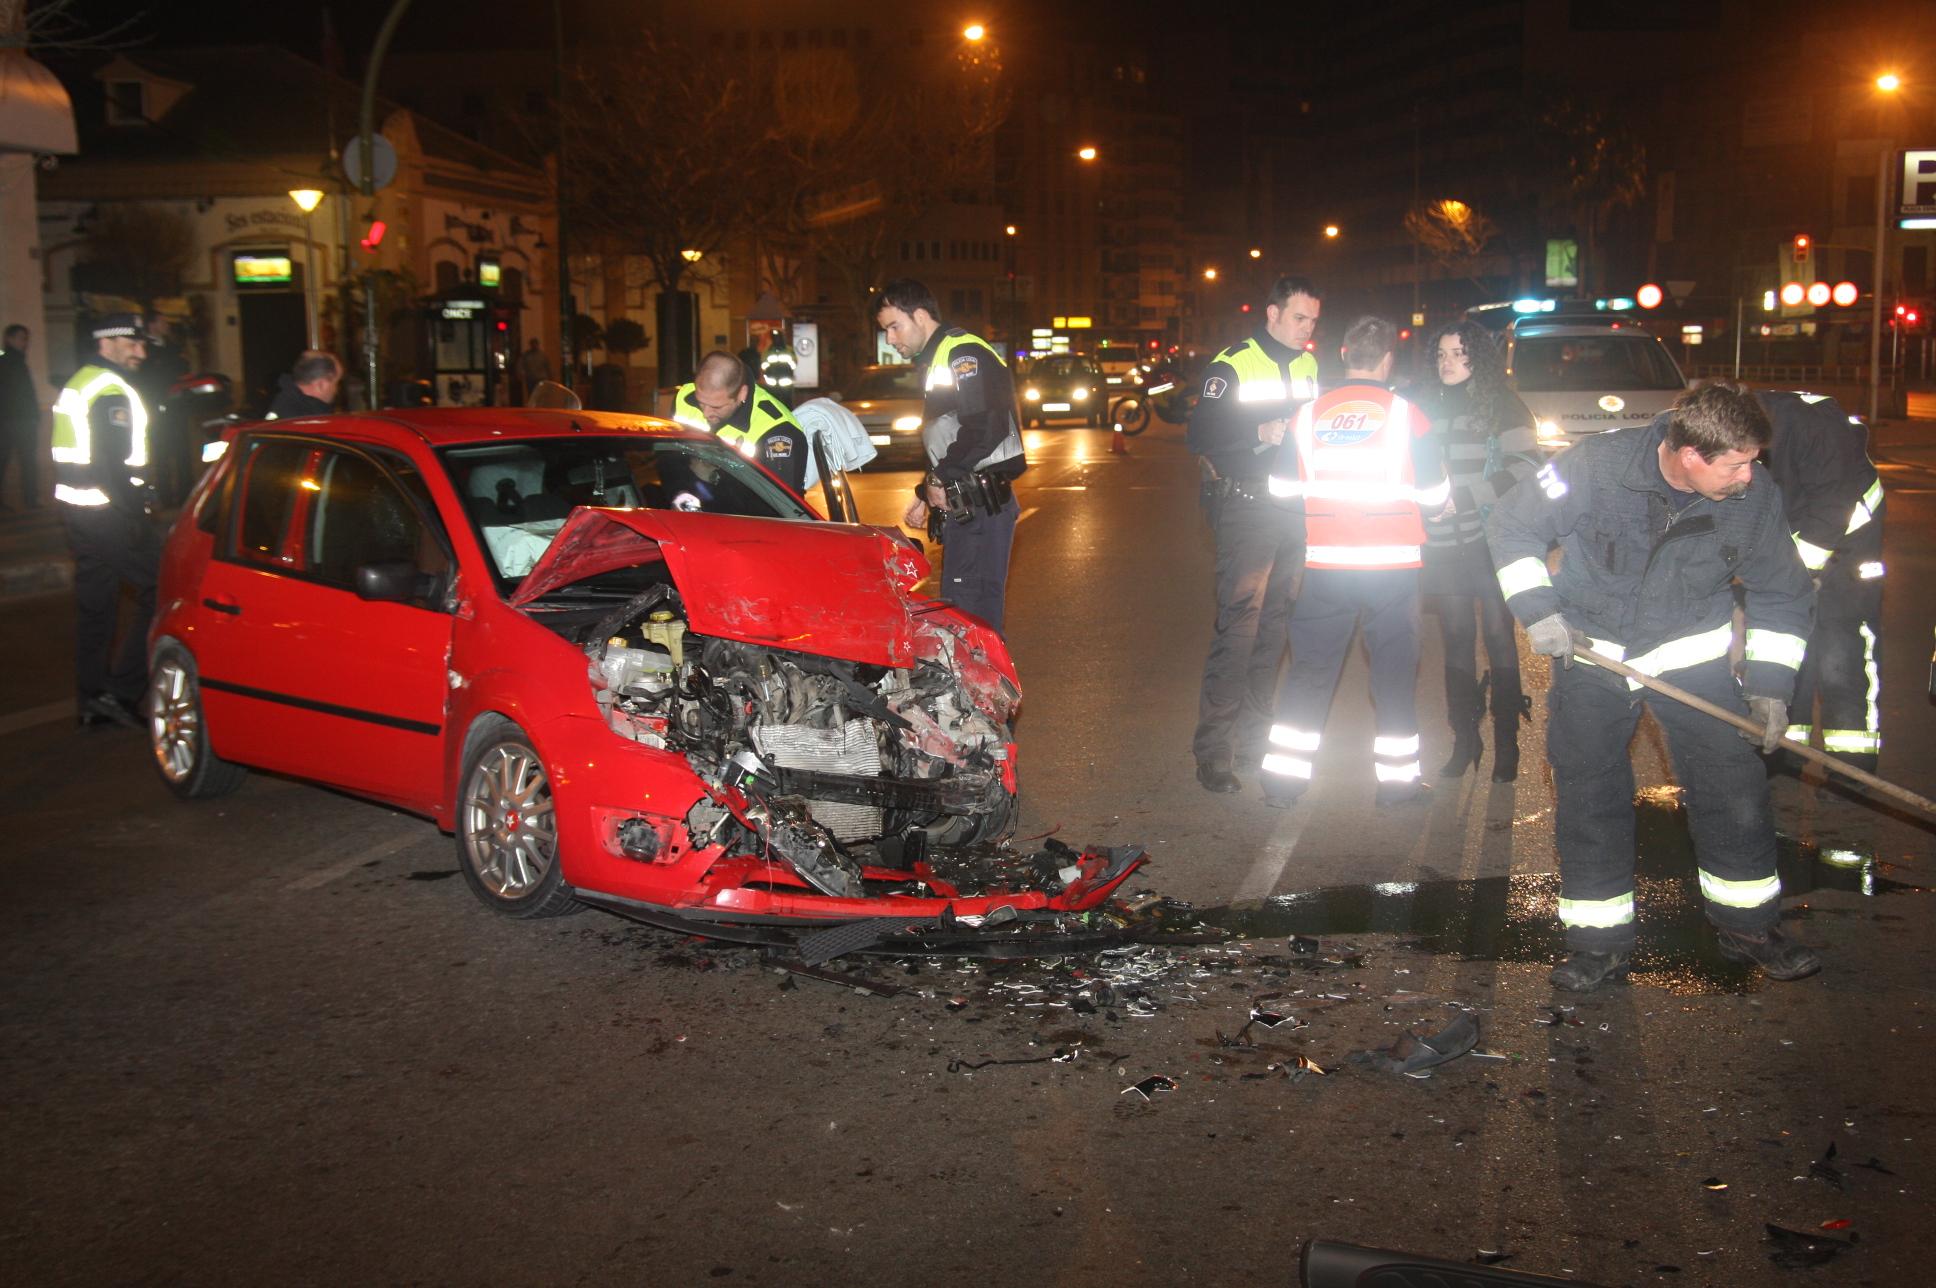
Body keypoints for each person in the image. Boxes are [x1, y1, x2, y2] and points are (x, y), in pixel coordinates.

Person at [1486, 381, 1818, 990]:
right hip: (1596, 657)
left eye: (1753, 461)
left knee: (1733, 790)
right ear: (1690, 454)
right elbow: (1513, 525)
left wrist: (1771, 686)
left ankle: (1748, 926)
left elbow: (1783, 591)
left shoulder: (1755, 498)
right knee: (1590, 793)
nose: (1749, 475)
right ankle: (1597, 943)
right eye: (1737, 463)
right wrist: (1539, 610)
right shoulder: (1596, 465)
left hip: (1694, 656)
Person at [1261, 316, 1449, 806]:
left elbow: (1280, 491)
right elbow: (1433, 495)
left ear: (1344, 354)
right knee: (1392, 676)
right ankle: (1397, 787)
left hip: (1327, 566)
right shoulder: (1410, 415)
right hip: (1394, 568)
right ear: (1388, 360)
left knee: (1309, 671)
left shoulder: (1307, 415)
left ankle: (1282, 783)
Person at [1184, 275, 1323, 793]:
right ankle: (1214, 752)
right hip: (1246, 507)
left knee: (1273, 630)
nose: (1306, 329)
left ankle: (1257, 739)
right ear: (1271, 313)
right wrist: (1255, 432)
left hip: (1295, 510)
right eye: (1298, 318)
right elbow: (1199, 434)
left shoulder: (1309, 365)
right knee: (1240, 628)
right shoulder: (1234, 363)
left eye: (1312, 320)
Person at [1416, 321, 1541, 781]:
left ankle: (1507, 742)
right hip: (1442, 541)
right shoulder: (1423, 407)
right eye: (1442, 354)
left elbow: (1527, 466)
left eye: (1458, 353)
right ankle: (1465, 740)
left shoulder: (1502, 404)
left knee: (1497, 634)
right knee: (1454, 637)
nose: (1447, 362)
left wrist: (1466, 497)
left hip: (1490, 539)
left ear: (1479, 359)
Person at [871, 278, 1026, 633]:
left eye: (894, 326)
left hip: (980, 506)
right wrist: (925, 490)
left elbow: (984, 428)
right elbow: (951, 434)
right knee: (965, 616)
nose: (890, 339)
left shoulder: (961, 354)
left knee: (970, 619)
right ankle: (978, 687)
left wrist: (940, 478)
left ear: (921, 316)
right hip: (969, 503)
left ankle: (983, 689)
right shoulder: (939, 358)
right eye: (886, 330)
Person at [1755, 389, 1885, 773]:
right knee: (1787, 641)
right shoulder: (1744, 430)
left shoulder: (1815, 427)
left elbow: (1832, 508)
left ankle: (1852, 762)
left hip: (1851, 543)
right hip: (1797, 535)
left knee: (1840, 645)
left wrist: (1802, 573)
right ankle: (1785, 751)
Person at [50, 314, 163, 729]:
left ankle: (92, 699)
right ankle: (121, 691)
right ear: (108, 343)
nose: (141, 351)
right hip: (110, 513)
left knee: (96, 606)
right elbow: (112, 465)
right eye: (133, 343)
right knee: (162, 586)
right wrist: (134, 514)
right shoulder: (110, 390)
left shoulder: (81, 381)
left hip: (79, 511)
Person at [670, 350, 810, 494]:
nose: (706, 413)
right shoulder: (684, 398)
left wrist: (724, 472)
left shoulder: (777, 431)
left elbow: (778, 507)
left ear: (741, 394)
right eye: (701, 403)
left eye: (716, 407)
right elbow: (668, 460)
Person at [135, 313, 191, 506]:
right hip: (157, 409)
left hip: (177, 407)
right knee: (162, 453)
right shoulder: (145, 349)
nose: (167, 325)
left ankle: (186, 493)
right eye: (162, 321)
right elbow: (146, 379)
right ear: (153, 325)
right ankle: (166, 495)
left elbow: (183, 368)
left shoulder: (173, 346)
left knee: (183, 452)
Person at [0, 324, 40, 509]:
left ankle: (31, 499)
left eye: (26, 338)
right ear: (9, 339)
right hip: (11, 420)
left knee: (27, 461)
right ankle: (30, 499)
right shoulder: (7, 361)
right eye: (21, 338)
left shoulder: (19, 362)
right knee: (9, 460)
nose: (25, 342)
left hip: (22, 420)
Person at [266, 351, 343, 419]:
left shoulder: (286, 404)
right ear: (321, 385)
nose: (336, 390)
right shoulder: (303, 419)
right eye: (336, 383)